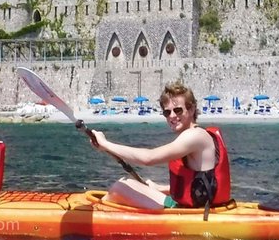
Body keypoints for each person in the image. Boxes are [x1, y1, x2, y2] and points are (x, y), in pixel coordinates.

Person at [89, 81, 231, 214]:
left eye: (178, 110)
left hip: (191, 211)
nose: (172, 116)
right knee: (136, 187)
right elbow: (199, 184)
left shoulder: (194, 136)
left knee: (120, 186)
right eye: (167, 112)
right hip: (199, 206)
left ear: (192, 109)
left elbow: (148, 158)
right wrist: (160, 188)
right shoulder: (199, 134)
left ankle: (97, 214)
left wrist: (106, 144)